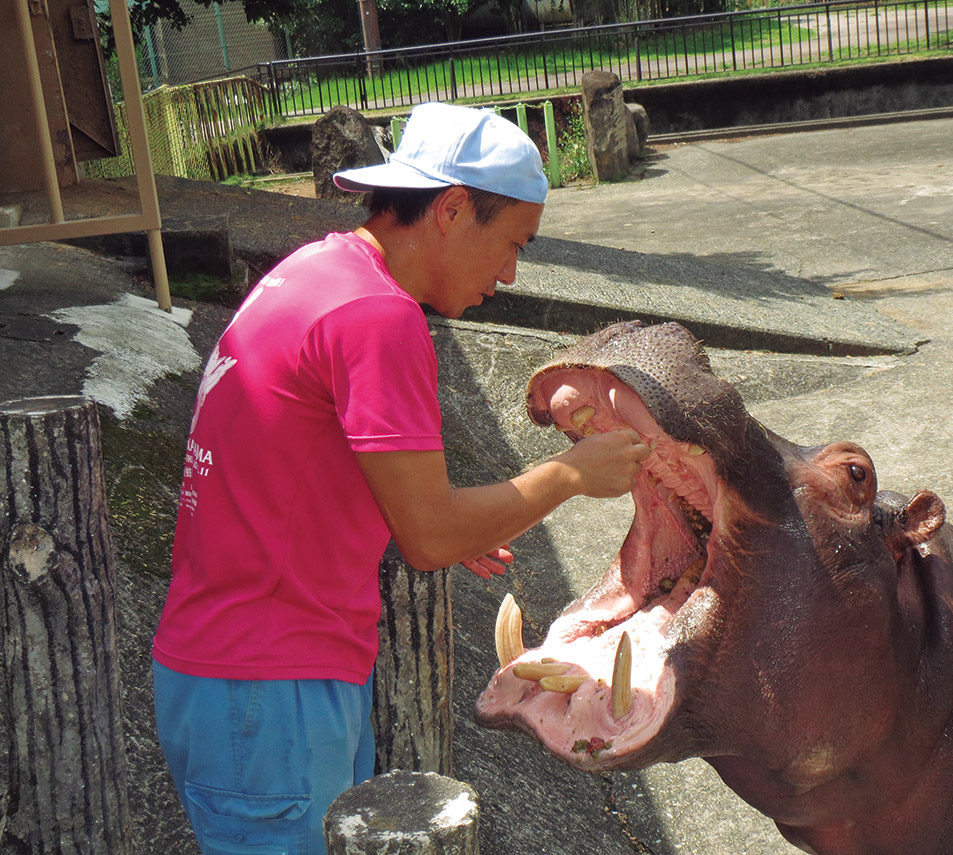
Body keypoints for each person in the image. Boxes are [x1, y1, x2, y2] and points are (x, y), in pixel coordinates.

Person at [151, 101, 649, 855]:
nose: (509, 273)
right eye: (512, 242)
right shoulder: (379, 315)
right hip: (272, 688)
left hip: (243, 673)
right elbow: (430, 534)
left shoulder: (315, 271)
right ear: (451, 210)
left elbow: (300, 462)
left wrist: (448, 522)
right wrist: (571, 473)